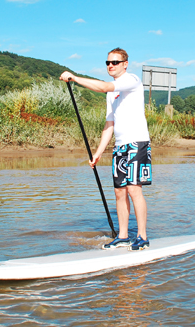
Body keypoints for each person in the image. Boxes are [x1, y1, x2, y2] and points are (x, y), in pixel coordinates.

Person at [59, 48, 152, 251]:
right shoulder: (112, 94)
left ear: (125, 64)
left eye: (115, 62)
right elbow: (109, 124)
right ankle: (123, 236)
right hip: (120, 146)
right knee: (119, 192)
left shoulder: (132, 80)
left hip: (137, 143)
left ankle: (142, 237)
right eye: (108, 62)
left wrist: (74, 78)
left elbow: (103, 86)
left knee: (134, 189)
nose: (110, 65)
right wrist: (98, 153)